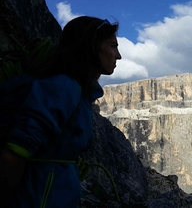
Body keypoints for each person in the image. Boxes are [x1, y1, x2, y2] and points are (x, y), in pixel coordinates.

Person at [0, 16, 122, 207]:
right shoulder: (64, 87)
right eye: (112, 46)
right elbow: (14, 153)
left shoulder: (79, 92)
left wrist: (67, 162)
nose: (118, 55)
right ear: (92, 46)